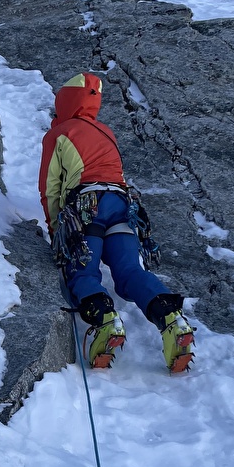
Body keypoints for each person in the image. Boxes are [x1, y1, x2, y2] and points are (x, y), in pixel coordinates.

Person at [39, 71, 195, 373]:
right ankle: (172, 319)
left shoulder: (58, 134)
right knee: (128, 271)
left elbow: (50, 189)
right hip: (123, 204)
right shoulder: (106, 131)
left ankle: (106, 322)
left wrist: (57, 231)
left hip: (86, 207)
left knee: (83, 272)